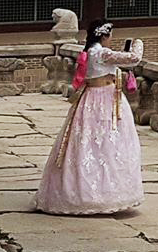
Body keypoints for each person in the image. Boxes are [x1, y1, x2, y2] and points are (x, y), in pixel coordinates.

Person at [35, 21, 145, 215]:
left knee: (87, 142)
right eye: (110, 36)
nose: (111, 40)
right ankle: (100, 194)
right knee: (105, 144)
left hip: (92, 98)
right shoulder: (100, 52)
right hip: (104, 100)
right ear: (103, 36)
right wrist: (138, 42)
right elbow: (134, 59)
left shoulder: (91, 52)